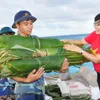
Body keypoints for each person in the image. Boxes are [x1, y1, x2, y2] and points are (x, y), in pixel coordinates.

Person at [11, 10, 68, 100]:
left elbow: (46, 61)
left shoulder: (36, 40)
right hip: (25, 90)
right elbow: (8, 70)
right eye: (26, 24)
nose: (30, 26)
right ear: (17, 25)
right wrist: (26, 80)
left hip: (40, 88)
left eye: (31, 23)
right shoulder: (12, 43)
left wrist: (60, 68)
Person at [63, 13, 100, 90]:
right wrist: (68, 40)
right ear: (94, 25)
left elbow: (97, 59)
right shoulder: (95, 34)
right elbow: (82, 41)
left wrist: (79, 50)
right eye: (98, 23)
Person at [0, 26, 15, 100]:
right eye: (6, 34)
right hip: (2, 85)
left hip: (13, 84)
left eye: (10, 34)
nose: (8, 36)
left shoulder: (15, 50)